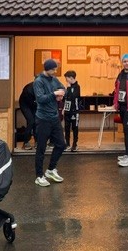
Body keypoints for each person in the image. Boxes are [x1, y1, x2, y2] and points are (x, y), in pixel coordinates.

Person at [34, 59, 67, 187]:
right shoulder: (38, 81)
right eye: (53, 69)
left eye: (55, 69)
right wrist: (54, 94)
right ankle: (39, 176)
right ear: (47, 69)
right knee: (41, 148)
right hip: (43, 119)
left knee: (61, 144)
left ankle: (51, 169)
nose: (55, 71)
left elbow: (63, 88)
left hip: (54, 117)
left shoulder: (54, 79)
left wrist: (61, 94)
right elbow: (40, 99)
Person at [63, 70, 82, 151]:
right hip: (67, 111)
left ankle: (75, 144)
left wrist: (68, 87)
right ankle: (67, 143)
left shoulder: (77, 87)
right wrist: (64, 109)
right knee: (67, 127)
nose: (66, 80)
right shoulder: (68, 87)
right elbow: (65, 98)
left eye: (66, 78)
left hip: (75, 111)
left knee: (75, 128)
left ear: (71, 78)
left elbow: (74, 96)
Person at [19, 81, 37, 150]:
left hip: (34, 104)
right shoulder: (28, 89)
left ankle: (37, 141)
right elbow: (33, 103)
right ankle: (26, 142)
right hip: (25, 104)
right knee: (31, 121)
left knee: (36, 122)